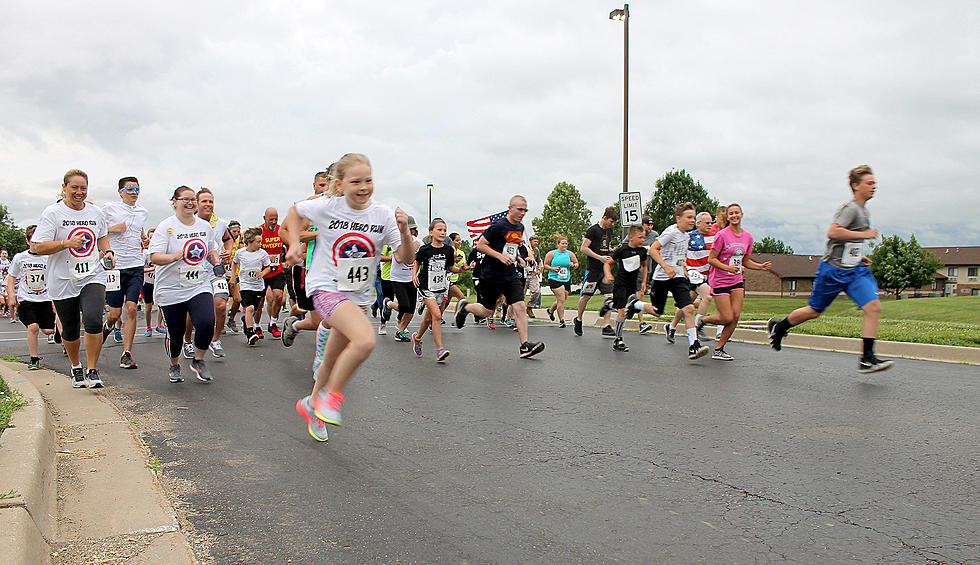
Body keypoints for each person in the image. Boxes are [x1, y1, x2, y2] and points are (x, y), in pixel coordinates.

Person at [286, 152, 415, 442]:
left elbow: (405, 258)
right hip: (325, 288)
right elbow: (295, 212)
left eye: (368, 180)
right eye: (355, 181)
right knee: (365, 340)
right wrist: (294, 243)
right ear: (340, 184)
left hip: (357, 296)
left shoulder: (382, 214)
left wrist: (404, 230)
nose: (363, 186)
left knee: (330, 359)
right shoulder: (327, 206)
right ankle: (330, 398)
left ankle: (311, 403)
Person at [768, 165, 893, 373]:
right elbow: (833, 232)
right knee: (814, 311)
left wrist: (858, 256)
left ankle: (867, 358)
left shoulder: (864, 211)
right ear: (855, 185)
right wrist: (865, 235)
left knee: (873, 307)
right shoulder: (850, 208)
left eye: (874, 183)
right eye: (869, 183)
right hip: (832, 270)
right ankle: (780, 327)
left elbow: (847, 241)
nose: (874, 186)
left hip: (854, 271)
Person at [31, 169, 113, 388]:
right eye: (74, 188)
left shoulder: (95, 213)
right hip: (63, 278)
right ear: (64, 188)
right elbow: (37, 247)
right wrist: (65, 243)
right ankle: (76, 366)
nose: (79, 192)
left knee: (94, 319)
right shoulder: (53, 213)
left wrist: (107, 252)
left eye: (83, 188)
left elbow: (102, 237)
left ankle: (93, 370)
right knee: (69, 327)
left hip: (91, 274)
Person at [455, 195, 545, 358]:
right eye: (519, 209)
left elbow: (510, 247)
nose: (522, 213)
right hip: (491, 275)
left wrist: (517, 257)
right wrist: (499, 256)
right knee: (486, 310)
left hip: (510, 274)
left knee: (520, 306)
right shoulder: (498, 226)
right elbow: (480, 245)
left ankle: (524, 345)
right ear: (510, 208)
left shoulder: (520, 228)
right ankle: (466, 308)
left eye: (525, 210)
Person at [148, 186, 222, 384]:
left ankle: (198, 360)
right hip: (171, 288)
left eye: (193, 200)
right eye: (185, 199)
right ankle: (174, 363)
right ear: (174, 201)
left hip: (198, 284)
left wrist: (216, 262)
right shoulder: (166, 227)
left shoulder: (204, 227)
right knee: (176, 333)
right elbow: (154, 257)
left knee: (207, 322)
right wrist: (174, 256)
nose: (190, 203)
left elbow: (211, 250)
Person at [695, 204, 771, 360]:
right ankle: (703, 320)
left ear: (742, 214)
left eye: (737, 212)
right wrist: (727, 268)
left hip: (736, 280)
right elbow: (712, 259)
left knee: (735, 316)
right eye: (731, 213)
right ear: (727, 217)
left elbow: (746, 260)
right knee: (727, 317)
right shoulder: (722, 235)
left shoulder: (748, 237)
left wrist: (760, 267)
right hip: (720, 280)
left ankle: (719, 349)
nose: (734, 215)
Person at [648, 202, 709, 360]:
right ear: (678, 218)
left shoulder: (687, 236)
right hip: (662, 276)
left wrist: (685, 269)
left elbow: (680, 257)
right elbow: (652, 250)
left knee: (688, 309)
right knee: (657, 311)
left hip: (678, 277)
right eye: (689, 217)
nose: (692, 220)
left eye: (694, 218)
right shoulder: (670, 232)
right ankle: (635, 304)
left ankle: (693, 345)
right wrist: (666, 267)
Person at [101, 176, 150, 369]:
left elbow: (139, 229)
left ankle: (126, 353)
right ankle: (107, 326)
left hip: (135, 265)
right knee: (114, 314)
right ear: (121, 191)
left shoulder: (143, 212)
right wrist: (114, 229)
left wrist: (144, 239)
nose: (134, 192)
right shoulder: (109, 208)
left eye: (137, 188)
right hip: (115, 266)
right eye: (129, 189)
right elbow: (98, 231)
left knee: (131, 308)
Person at [181, 188, 233, 358]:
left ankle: (215, 339)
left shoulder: (221, 223)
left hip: (215, 270)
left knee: (221, 305)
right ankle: (188, 341)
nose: (208, 204)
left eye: (211, 201)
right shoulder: (188, 222)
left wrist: (228, 251)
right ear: (196, 203)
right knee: (192, 311)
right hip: (194, 271)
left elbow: (227, 239)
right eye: (204, 201)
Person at [6, 226, 56, 370]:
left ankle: (57, 333)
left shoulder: (48, 257)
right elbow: (11, 277)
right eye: (34, 241)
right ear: (28, 241)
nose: (36, 244)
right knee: (33, 327)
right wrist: (11, 295)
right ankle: (34, 359)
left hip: (45, 298)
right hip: (26, 299)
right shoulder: (20, 258)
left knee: (48, 331)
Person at [411, 219, 461, 362]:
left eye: (444, 230)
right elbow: (417, 262)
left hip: (440, 287)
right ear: (431, 232)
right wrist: (414, 275)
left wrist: (461, 269)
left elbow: (451, 268)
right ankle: (440, 350)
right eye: (439, 229)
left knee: (428, 318)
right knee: (437, 316)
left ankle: (418, 337)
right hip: (425, 286)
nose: (443, 232)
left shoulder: (448, 250)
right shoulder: (424, 249)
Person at [600, 224, 654, 352]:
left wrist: (644, 282)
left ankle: (610, 304)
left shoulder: (642, 252)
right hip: (620, 284)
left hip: (633, 284)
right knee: (622, 311)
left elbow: (645, 266)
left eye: (644, 238)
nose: (642, 240)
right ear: (631, 237)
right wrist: (608, 274)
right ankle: (618, 340)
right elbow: (608, 263)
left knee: (629, 311)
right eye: (640, 237)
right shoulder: (622, 250)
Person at [667, 211, 715, 342]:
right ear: (698, 223)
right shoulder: (689, 236)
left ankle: (671, 327)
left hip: (706, 275)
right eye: (707, 223)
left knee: (687, 304)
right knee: (707, 296)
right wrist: (682, 268)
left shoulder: (715, 236)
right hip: (693, 272)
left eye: (711, 222)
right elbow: (678, 253)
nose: (710, 225)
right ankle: (698, 325)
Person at [574, 206, 618, 338]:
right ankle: (579, 319)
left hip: (604, 270)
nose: (612, 224)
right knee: (586, 296)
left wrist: (612, 250)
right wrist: (599, 257)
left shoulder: (608, 231)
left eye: (614, 222)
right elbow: (584, 248)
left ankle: (606, 325)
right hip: (593, 270)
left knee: (609, 296)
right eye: (611, 221)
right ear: (604, 218)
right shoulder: (593, 230)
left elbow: (603, 246)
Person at [231, 227, 272, 345]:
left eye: (261, 241)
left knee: (255, 309)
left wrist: (262, 273)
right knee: (249, 308)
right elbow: (234, 262)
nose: (261, 243)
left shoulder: (262, 253)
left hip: (258, 285)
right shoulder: (241, 253)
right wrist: (233, 276)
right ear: (249, 242)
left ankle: (246, 321)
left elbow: (269, 267)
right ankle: (250, 332)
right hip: (245, 284)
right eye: (258, 241)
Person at [386, 216, 422, 342]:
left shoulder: (419, 242)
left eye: (413, 229)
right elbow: (399, 259)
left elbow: (421, 258)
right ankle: (388, 303)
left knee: (411, 310)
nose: (411, 232)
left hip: (411, 278)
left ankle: (400, 331)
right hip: (398, 278)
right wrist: (412, 248)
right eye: (408, 229)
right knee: (405, 306)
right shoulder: (396, 242)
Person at [255, 208, 286, 338]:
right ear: (264, 218)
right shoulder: (259, 232)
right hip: (262, 271)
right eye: (271, 219)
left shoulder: (281, 230)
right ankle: (256, 326)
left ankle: (273, 323)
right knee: (260, 301)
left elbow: (290, 244)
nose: (273, 222)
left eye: (275, 219)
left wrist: (289, 258)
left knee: (278, 296)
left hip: (277, 270)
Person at [543, 234, 579, 328]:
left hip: (565, 278)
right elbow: (545, 265)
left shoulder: (570, 254)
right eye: (562, 243)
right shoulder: (552, 254)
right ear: (558, 244)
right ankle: (562, 320)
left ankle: (550, 311)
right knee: (561, 299)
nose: (564, 246)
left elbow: (576, 263)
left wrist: (573, 265)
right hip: (554, 278)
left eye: (566, 244)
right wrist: (552, 268)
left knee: (562, 300)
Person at [635, 216, 659, 334]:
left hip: (647, 269)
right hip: (635, 268)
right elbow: (625, 245)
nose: (649, 227)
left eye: (651, 225)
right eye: (647, 225)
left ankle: (618, 309)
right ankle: (641, 322)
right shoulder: (636, 233)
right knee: (640, 294)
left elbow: (659, 248)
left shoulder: (654, 235)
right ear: (643, 224)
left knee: (639, 294)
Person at [439, 232, 470, 319]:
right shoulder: (446, 250)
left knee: (446, 302)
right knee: (461, 297)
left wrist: (469, 267)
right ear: (451, 242)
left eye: (460, 240)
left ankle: (437, 317)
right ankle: (456, 318)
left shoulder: (461, 253)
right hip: (446, 280)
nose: (459, 242)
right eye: (457, 240)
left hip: (453, 280)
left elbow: (462, 266)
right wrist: (453, 261)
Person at [141, 229, 165, 336]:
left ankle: (158, 325)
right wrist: (152, 269)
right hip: (147, 281)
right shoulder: (145, 253)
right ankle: (148, 327)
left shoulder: (161, 251)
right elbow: (140, 269)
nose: (152, 240)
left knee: (161, 304)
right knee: (148, 306)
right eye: (150, 237)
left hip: (158, 281)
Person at [224, 220, 244, 333]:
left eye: (238, 231)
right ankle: (219, 324)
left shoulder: (239, 243)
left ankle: (231, 319)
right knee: (222, 301)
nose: (236, 233)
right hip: (223, 275)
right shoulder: (224, 242)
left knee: (237, 299)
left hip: (235, 275)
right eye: (234, 231)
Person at [523, 235, 542, 318]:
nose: (536, 243)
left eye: (537, 241)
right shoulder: (524, 248)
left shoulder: (536, 250)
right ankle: (519, 311)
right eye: (535, 241)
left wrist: (539, 269)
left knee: (537, 291)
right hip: (524, 273)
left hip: (533, 273)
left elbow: (539, 261)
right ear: (530, 241)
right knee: (521, 294)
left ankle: (530, 307)